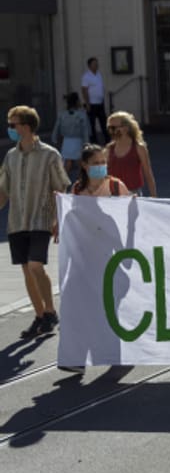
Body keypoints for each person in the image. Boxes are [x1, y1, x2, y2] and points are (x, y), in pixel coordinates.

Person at [1, 106, 70, 338]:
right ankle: (41, 316)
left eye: (13, 125)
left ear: (26, 126)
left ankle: (50, 310)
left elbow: (61, 188)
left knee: (35, 265)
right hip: (17, 221)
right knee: (26, 271)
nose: (9, 129)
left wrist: (57, 219)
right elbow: (3, 190)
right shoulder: (10, 156)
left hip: (41, 220)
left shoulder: (50, 155)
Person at [106, 111, 158, 197]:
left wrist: (154, 196)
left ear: (126, 128)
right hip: (112, 194)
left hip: (133, 194)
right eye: (109, 128)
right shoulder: (109, 149)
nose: (111, 131)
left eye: (114, 128)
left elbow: (148, 174)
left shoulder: (139, 148)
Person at [51, 92, 90, 175]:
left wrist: (54, 138)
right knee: (80, 160)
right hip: (78, 140)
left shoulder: (62, 114)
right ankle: (82, 178)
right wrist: (87, 142)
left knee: (68, 161)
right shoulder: (81, 114)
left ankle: (64, 180)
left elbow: (57, 126)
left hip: (67, 140)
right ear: (76, 102)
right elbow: (85, 129)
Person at [81, 57, 107, 145]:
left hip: (100, 103)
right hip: (91, 104)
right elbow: (84, 90)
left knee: (103, 122)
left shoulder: (99, 74)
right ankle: (94, 142)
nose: (96, 65)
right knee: (91, 124)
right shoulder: (86, 76)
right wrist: (87, 103)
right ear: (89, 65)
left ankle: (107, 140)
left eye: (97, 63)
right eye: (94, 63)